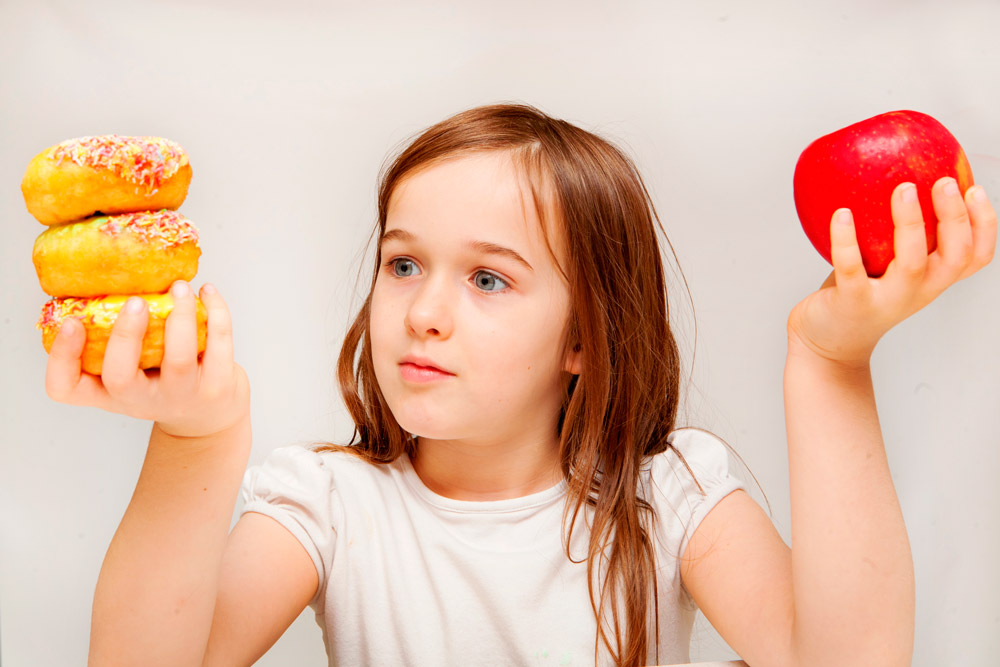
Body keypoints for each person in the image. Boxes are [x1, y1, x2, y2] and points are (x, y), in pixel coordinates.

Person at [45, 104, 995, 667]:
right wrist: (195, 441)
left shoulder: (668, 496)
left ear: (584, 336)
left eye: (489, 279)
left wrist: (830, 364)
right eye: (404, 264)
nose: (423, 312)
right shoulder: (327, 502)